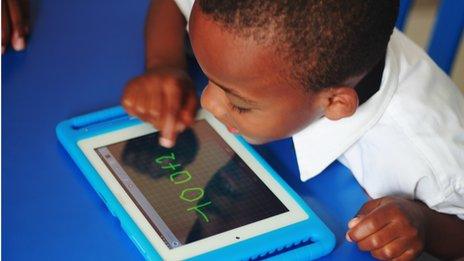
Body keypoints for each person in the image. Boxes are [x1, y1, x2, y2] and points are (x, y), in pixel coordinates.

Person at [121, 1, 464, 260]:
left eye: (239, 103)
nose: (208, 102)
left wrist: (422, 222)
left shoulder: (429, 154)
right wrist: (165, 64)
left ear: (335, 104)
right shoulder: (236, 17)